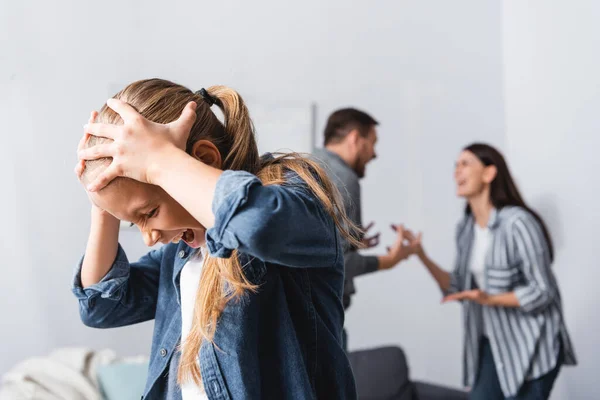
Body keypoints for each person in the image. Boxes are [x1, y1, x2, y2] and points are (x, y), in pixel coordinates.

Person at [72, 79, 358, 399]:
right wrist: (104, 201)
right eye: (131, 222)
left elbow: (257, 225)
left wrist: (160, 161)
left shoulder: (292, 193)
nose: (149, 238)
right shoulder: (182, 254)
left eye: (149, 212)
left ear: (204, 159)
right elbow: (101, 307)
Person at [405, 143, 577, 400]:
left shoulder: (518, 223)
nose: (457, 172)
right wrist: (421, 255)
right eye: (455, 166)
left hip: (533, 343)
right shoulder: (465, 229)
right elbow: (458, 288)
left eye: (465, 164)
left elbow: (543, 291)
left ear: (489, 173)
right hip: (491, 342)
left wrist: (490, 299)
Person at [312, 108, 414, 348]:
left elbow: (317, 246)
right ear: (355, 139)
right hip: (323, 321)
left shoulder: (307, 165)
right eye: (372, 143)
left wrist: (352, 243)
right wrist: (389, 259)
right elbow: (340, 262)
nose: (374, 154)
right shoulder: (345, 178)